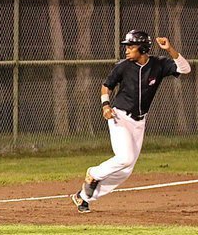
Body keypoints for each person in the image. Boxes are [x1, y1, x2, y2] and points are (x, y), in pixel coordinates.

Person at [71, 30, 191, 213]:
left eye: (131, 47)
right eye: (126, 46)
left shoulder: (159, 64)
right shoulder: (123, 66)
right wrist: (105, 106)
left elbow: (185, 69)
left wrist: (170, 49)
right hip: (120, 116)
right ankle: (93, 173)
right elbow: (106, 86)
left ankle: (83, 197)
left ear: (143, 49)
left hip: (139, 122)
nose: (126, 50)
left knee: (125, 171)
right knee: (125, 158)